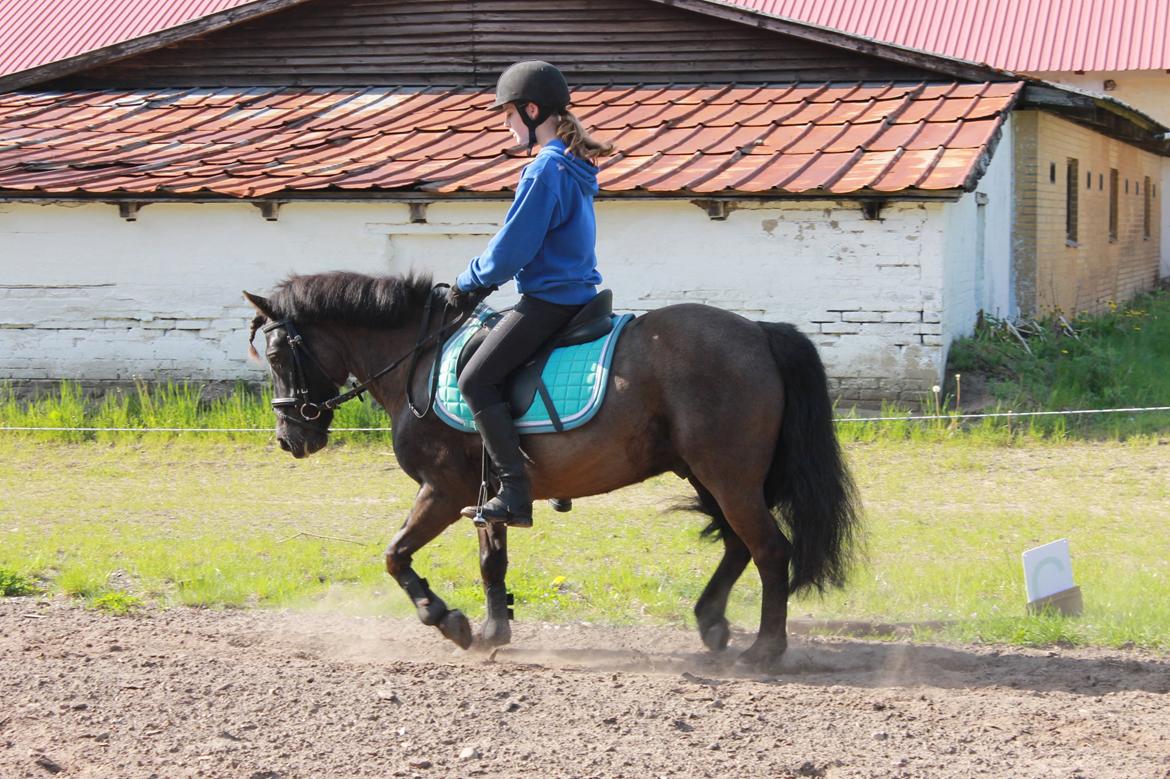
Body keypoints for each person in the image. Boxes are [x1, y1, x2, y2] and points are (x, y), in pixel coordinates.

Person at [447, 60, 614, 528]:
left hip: (550, 302)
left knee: (475, 380)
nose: (505, 125)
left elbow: (511, 250)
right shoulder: (576, 166)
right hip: (580, 297)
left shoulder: (545, 170)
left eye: (508, 115)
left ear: (533, 110)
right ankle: (556, 473)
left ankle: (516, 493)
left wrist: (466, 283)